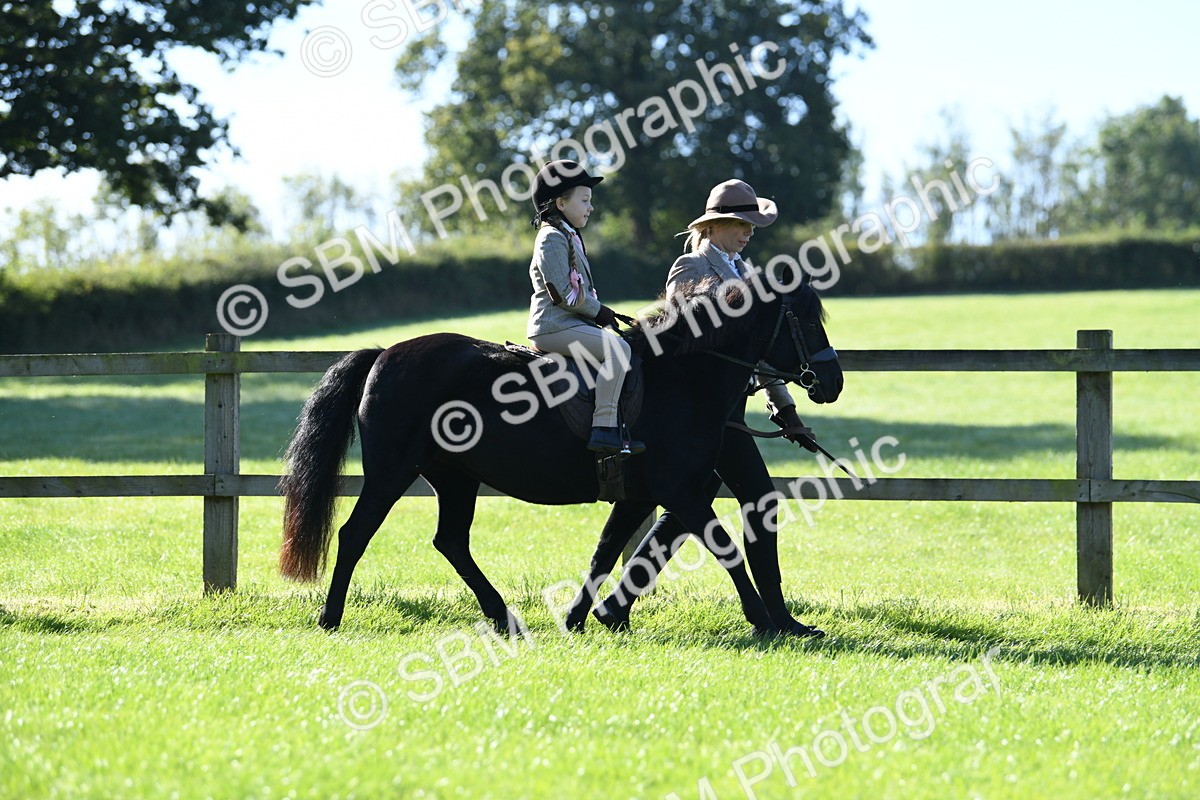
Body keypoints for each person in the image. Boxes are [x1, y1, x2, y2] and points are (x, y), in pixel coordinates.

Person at [597, 178, 824, 637]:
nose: (748, 233)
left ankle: (617, 605)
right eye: (742, 224)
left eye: (752, 225)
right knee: (758, 501)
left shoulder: (742, 269)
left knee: (685, 511)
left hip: (728, 415)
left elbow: (755, 351)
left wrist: (786, 410)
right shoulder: (690, 266)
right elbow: (686, 344)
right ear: (716, 225)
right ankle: (774, 617)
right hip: (696, 416)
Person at [526, 159, 645, 454]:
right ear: (560, 203)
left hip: (570, 324)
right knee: (618, 350)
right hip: (553, 326)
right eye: (585, 200)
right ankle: (604, 428)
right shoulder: (551, 238)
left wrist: (601, 313)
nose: (590, 207)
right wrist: (599, 311)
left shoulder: (568, 234)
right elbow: (562, 294)